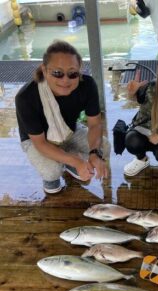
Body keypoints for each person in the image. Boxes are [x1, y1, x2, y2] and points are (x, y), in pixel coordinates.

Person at [15, 40, 109, 194]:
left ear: (79, 71)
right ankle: (60, 169)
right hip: (37, 140)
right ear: (44, 70)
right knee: (52, 170)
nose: (65, 80)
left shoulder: (88, 85)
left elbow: (95, 124)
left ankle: (69, 160)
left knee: (104, 147)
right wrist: (76, 160)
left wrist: (94, 153)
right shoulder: (26, 97)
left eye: (73, 74)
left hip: (68, 130)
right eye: (57, 73)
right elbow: (40, 143)